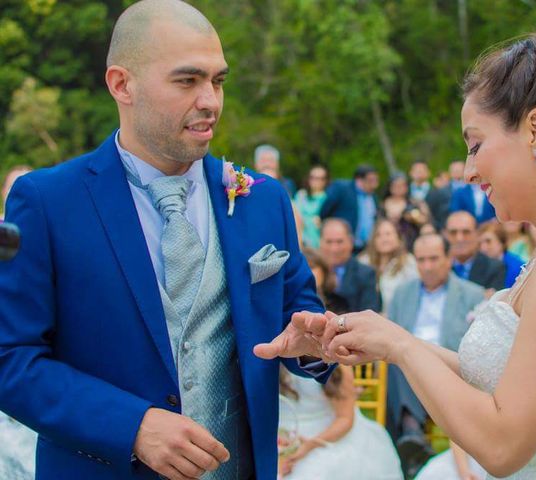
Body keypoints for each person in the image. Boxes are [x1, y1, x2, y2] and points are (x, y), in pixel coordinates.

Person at [0, 2, 333, 479]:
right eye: (187, 80)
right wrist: (130, 426)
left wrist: (312, 346)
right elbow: (11, 359)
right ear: (121, 84)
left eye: (217, 81)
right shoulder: (48, 202)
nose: (211, 101)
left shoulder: (263, 200)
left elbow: (298, 317)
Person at [309, 33, 536, 479]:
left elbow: (502, 447)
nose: (468, 170)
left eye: (475, 144)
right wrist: (379, 337)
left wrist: (402, 347)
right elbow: (509, 380)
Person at [384, 234, 484, 476]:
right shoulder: (402, 293)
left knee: (409, 353)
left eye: (433, 259)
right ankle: (412, 433)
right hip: (408, 368)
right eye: (421, 260)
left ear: (448, 259)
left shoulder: (472, 294)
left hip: (448, 365)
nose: (427, 266)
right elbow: (390, 335)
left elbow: (477, 345)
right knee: (400, 354)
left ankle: (411, 437)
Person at [277, 365, 402, 479]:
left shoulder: (339, 367)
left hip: (329, 434)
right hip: (283, 432)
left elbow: (345, 418)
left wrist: (309, 446)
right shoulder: (272, 358)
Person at [319, 218, 381, 312]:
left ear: (351, 242)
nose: (334, 248)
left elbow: (370, 314)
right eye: (329, 242)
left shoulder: (366, 274)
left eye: (339, 242)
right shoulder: (311, 271)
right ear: (320, 242)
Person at [358, 219, 418, 314]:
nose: (384, 239)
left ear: (398, 237)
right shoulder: (363, 261)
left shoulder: (409, 263)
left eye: (388, 234)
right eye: (378, 235)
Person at [320, 164, 379, 252]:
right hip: (344, 245)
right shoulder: (342, 189)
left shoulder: (373, 197)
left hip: (366, 246)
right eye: (371, 180)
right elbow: (325, 211)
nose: (375, 184)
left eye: (376, 180)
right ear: (359, 180)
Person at [445, 211, 505, 291]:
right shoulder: (437, 266)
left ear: (477, 234)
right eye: (453, 232)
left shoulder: (494, 268)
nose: (459, 238)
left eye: (466, 232)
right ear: (445, 235)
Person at [478, 223, 525, 288]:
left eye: (488, 241)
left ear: (501, 243)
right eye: (479, 244)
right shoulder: (478, 265)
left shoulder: (518, 267)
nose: (483, 248)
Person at [408, 160, 450, 231]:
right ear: (410, 173)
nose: (419, 172)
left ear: (428, 173)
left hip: (433, 230)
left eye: (422, 170)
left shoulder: (438, 193)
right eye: (416, 170)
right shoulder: (404, 191)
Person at [294, 165, 328, 249]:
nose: (315, 181)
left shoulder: (327, 198)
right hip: (300, 240)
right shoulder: (301, 195)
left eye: (320, 178)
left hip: (317, 241)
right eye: (313, 177)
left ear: (325, 181)